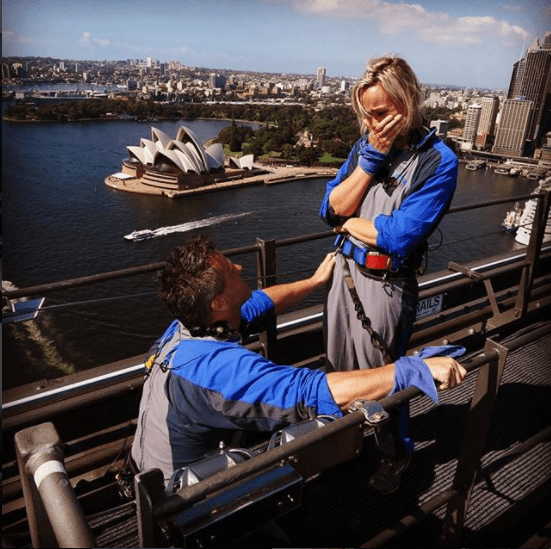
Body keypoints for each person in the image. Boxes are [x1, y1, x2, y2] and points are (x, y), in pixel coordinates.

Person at [131, 234, 466, 485]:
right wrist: (413, 368)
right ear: (218, 302)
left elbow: (258, 304)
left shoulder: (185, 329)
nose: (238, 265)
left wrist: (313, 283)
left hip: (146, 473)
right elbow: (310, 392)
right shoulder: (215, 372)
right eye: (230, 272)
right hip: (181, 498)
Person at [319, 55, 458, 492]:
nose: (373, 123)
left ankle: (396, 452)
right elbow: (328, 209)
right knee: (337, 367)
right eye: (367, 114)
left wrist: (349, 224)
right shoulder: (367, 147)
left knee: (385, 376)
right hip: (344, 276)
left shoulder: (438, 162)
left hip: (386, 284)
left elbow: (398, 237)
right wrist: (368, 163)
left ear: (408, 100)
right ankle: (345, 443)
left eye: (381, 112)